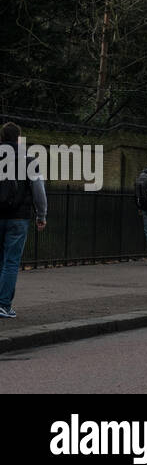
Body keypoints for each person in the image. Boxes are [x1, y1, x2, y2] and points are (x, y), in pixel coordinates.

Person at [0, 122, 47, 319]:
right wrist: (41, 215)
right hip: (19, 217)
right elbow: (39, 191)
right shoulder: (29, 160)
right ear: (19, 138)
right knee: (11, 261)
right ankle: (3, 305)